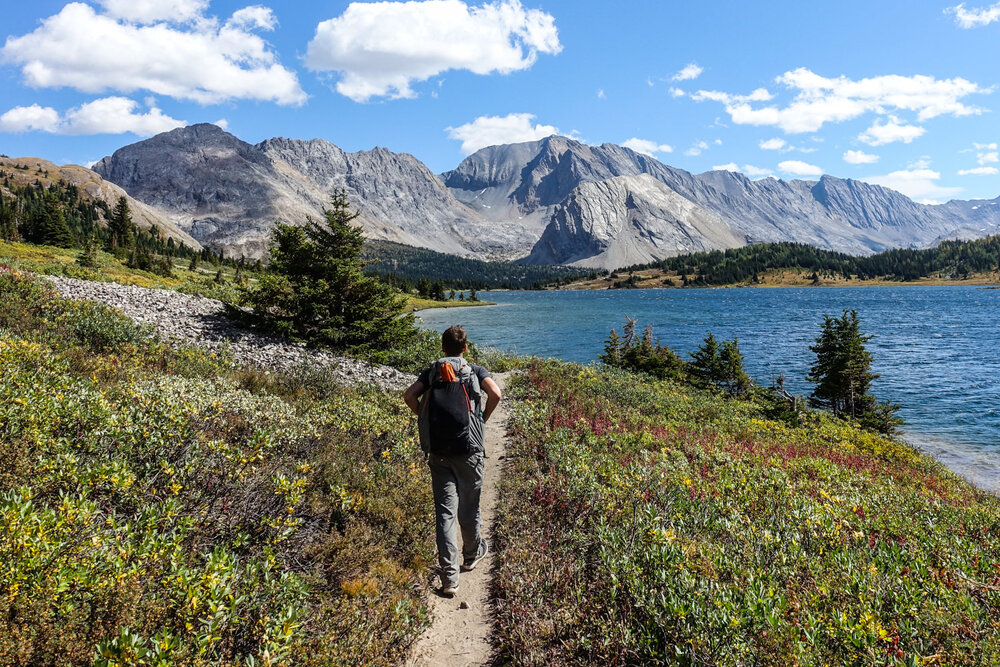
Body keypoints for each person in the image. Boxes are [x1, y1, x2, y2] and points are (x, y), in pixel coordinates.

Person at [404, 325, 502, 596]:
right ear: (465, 348)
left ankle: (450, 578)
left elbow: (409, 396)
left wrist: (422, 417)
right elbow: (496, 394)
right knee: (469, 506)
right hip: (469, 450)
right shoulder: (475, 370)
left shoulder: (432, 371)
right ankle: (471, 555)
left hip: (439, 452)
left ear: (442, 347)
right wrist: (482, 419)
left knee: (445, 512)